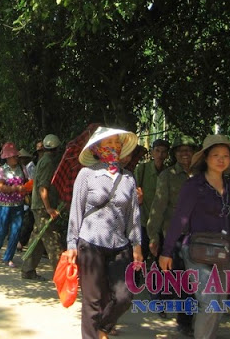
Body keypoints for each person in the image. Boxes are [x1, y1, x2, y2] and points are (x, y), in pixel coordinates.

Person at [159, 135, 230, 339]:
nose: (221, 159)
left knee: (218, 304)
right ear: (206, 158)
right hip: (196, 251)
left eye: (225, 156)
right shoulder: (194, 185)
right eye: (216, 155)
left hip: (222, 252)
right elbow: (179, 219)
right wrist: (166, 251)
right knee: (209, 301)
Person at [66, 127, 141, 339]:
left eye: (117, 143)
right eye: (109, 143)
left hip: (120, 245)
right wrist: (71, 244)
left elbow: (133, 215)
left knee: (124, 296)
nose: (114, 147)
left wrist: (137, 246)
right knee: (93, 300)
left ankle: (104, 328)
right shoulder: (86, 174)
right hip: (90, 243)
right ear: (97, 149)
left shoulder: (128, 178)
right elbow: (76, 210)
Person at [146, 135, 197, 335]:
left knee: (194, 280)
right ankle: (183, 321)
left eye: (189, 150)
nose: (185, 154)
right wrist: (153, 236)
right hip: (175, 236)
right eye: (180, 151)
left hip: (200, 236)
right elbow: (158, 207)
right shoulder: (167, 176)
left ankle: (188, 319)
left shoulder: (202, 174)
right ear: (174, 154)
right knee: (183, 279)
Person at [21, 134, 63, 280]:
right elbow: (42, 188)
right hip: (42, 207)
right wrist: (49, 208)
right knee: (53, 240)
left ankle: (27, 270)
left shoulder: (43, 160)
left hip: (39, 206)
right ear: (56, 149)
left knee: (37, 239)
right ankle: (62, 276)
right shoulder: (48, 163)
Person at [0, 142, 29, 268]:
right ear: (7, 157)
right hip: (4, 205)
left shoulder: (22, 169)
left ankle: (9, 257)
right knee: (2, 229)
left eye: (16, 156)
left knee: (15, 231)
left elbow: (27, 183)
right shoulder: (1, 170)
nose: (15, 158)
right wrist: (15, 188)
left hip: (18, 205)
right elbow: (0, 187)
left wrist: (25, 189)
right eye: (13, 156)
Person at [134, 138, 170, 261]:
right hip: (143, 221)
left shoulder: (168, 173)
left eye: (163, 152)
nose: (160, 155)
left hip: (161, 224)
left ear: (167, 154)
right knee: (139, 259)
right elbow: (135, 191)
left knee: (161, 259)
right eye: (157, 151)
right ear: (152, 152)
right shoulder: (142, 169)